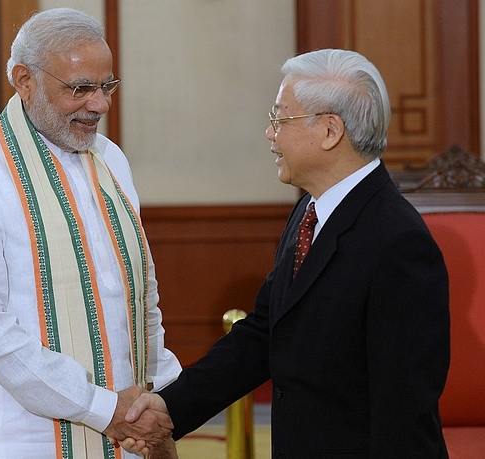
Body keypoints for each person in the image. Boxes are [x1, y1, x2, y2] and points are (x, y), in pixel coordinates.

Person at [120, 49, 451, 458]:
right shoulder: (310, 211)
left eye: (280, 118)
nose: (269, 133)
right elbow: (265, 333)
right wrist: (172, 406)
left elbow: (403, 412)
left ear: (330, 131)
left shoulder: (399, 243)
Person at [0, 8, 181, 458]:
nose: (98, 104)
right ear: (25, 81)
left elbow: (139, 295)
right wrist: (102, 408)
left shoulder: (110, 160)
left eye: (106, 87)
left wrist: (162, 399)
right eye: (79, 89)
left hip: (122, 428)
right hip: (11, 437)